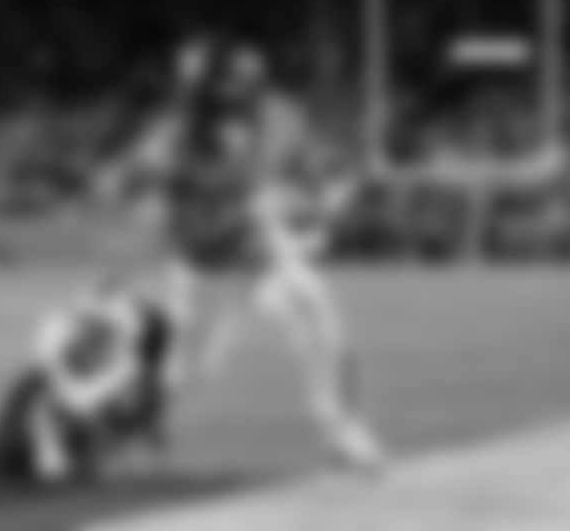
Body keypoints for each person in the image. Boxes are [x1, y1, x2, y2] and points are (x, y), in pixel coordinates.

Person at [92, 38, 386, 473]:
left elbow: (320, 173)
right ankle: (115, 422)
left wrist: (324, 195)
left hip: (258, 250)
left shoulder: (280, 117)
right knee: (188, 371)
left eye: (233, 88)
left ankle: (342, 429)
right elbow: (125, 179)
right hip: (203, 265)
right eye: (213, 93)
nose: (223, 102)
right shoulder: (176, 133)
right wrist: (124, 182)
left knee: (316, 309)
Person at [0, 283, 178, 485]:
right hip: (50, 434)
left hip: (65, 440)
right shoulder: (114, 362)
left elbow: (84, 404)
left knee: (45, 412)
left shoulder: (128, 371)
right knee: (32, 411)